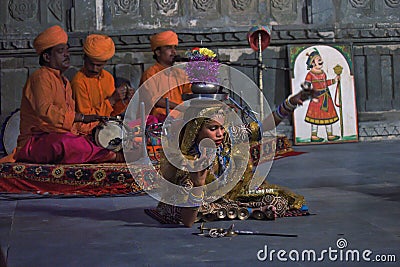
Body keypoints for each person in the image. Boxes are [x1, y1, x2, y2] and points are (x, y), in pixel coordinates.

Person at [152, 89, 312, 227]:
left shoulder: (230, 136)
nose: (220, 134)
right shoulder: (189, 162)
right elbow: (188, 222)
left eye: (222, 127)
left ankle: (242, 210)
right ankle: (250, 211)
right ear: (196, 130)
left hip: (236, 195)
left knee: (278, 198)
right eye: (213, 128)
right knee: (188, 209)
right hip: (202, 202)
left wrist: (289, 104)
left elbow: (262, 128)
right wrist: (198, 185)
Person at [2, 25, 122, 164]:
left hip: (59, 135)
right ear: (47, 57)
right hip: (35, 142)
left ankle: (105, 152)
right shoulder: (40, 77)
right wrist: (81, 117)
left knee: (83, 138)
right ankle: (112, 156)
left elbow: (71, 123)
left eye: (67, 50)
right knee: (64, 143)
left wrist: (91, 125)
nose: (67, 54)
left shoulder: (64, 81)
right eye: (60, 51)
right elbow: (46, 112)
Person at [71, 34, 134, 135]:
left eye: (99, 65)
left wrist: (123, 100)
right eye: (91, 64)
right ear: (84, 58)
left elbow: (112, 113)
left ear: (105, 62)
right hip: (88, 131)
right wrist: (112, 100)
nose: (94, 68)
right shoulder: (79, 82)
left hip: (108, 126)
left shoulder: (108, 77)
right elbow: (86, 118)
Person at [139, 30, 192, 122]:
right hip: (157, 121)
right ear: (158, 52)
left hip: (180, 119)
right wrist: (180, 108)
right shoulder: (150, 73)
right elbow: (155, 101)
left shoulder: (180, 73)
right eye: (168, 48)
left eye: (174, 48)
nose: (174, 52)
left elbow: (190, 93)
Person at [303, 48, 340, 142]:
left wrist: (334, 80)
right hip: (316, 98)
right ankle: (314, 136)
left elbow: (324, 83)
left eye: (320, 59)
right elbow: (306, 86)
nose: (321, 61)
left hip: (326, 97)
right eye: (318, 59)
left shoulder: (323, 73)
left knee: (328, 116)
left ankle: (330, 135)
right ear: (312, 62)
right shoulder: (310, 74)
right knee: (315, 118)